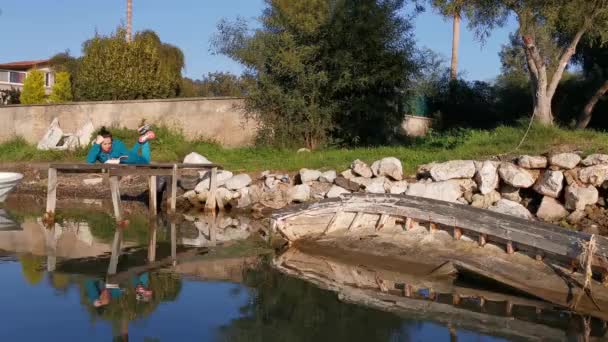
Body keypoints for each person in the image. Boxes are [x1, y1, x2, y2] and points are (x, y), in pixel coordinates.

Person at [86, 125, 156, 164]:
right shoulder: (96, 148)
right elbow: (90, 161)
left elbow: (129, 156)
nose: (108, 146)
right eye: (105, 144)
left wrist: (118, 160)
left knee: (146, 162)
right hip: (113, 168)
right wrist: (97, 144)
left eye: (109, 143)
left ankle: (144, 141)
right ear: (99, 143)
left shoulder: (117, 145)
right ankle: (141, 140)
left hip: (125, 161)